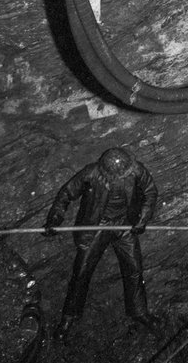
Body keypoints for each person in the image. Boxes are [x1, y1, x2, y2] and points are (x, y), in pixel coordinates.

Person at [45, 147, 158, 343]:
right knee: (81, 272)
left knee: (134, 269)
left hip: (124, 225)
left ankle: (139, 311)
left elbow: (150, 191)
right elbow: (66, 194)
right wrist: (55, 218)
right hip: (96, 226)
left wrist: (143, 217)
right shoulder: (91, 173)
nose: (120, 178)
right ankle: (69, 317)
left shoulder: (136, 170)